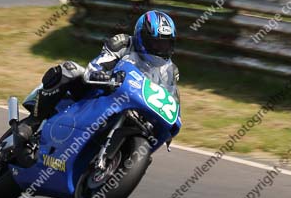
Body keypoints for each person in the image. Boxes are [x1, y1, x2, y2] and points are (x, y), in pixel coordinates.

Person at [16, 11, 179, 143]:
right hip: (102, 90)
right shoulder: (123, 43)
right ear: (141, 36)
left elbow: (172, 100)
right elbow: (101, 62)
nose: (159, 48)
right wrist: (100, 73)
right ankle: (33, 121)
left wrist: (171, 125)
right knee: (69, 70)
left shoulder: (170, 70)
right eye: (155, 43)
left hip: (134, 108)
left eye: (165, 44)